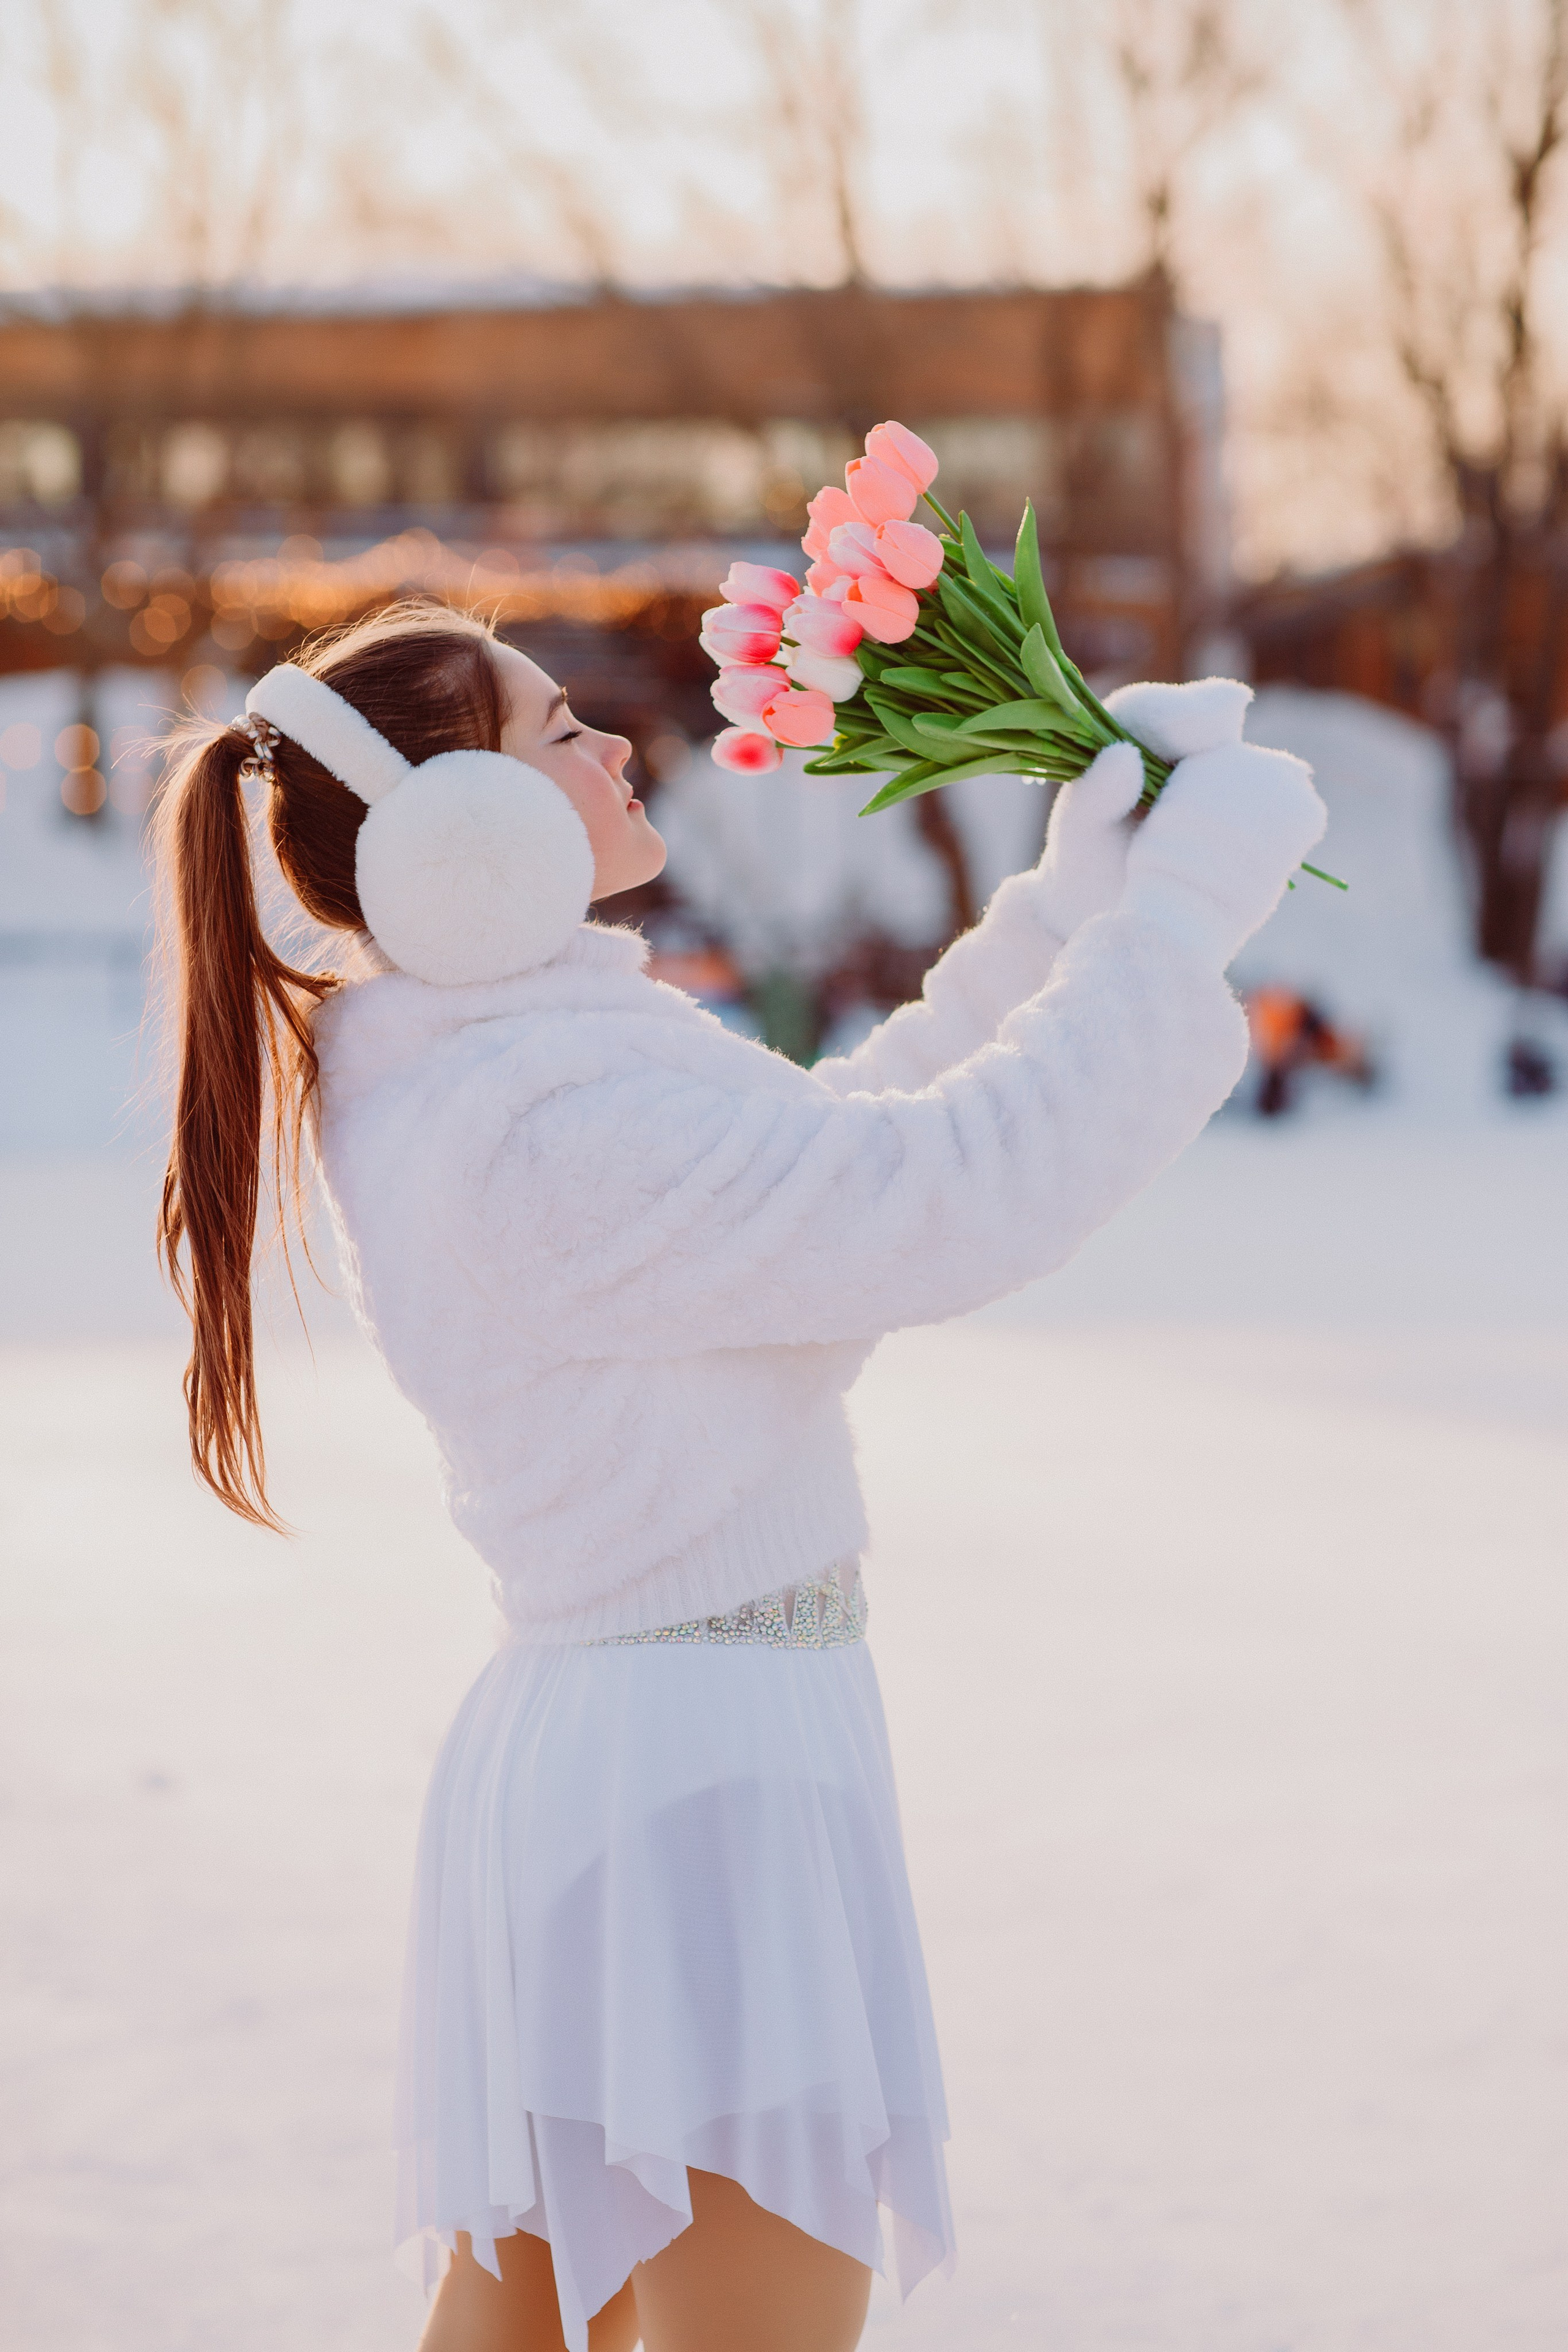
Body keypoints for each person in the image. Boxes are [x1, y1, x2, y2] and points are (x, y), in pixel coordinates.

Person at [154, 602, 1324, 2352]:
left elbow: (829, 1162)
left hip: (637, 1766)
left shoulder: (505, 1076)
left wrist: (1067, 911)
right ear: (463, 835)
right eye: (561, 732)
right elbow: (939, 1198)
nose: (619, 744)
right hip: (697, 1796)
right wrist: (1177, 925)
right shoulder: (544, 1130)